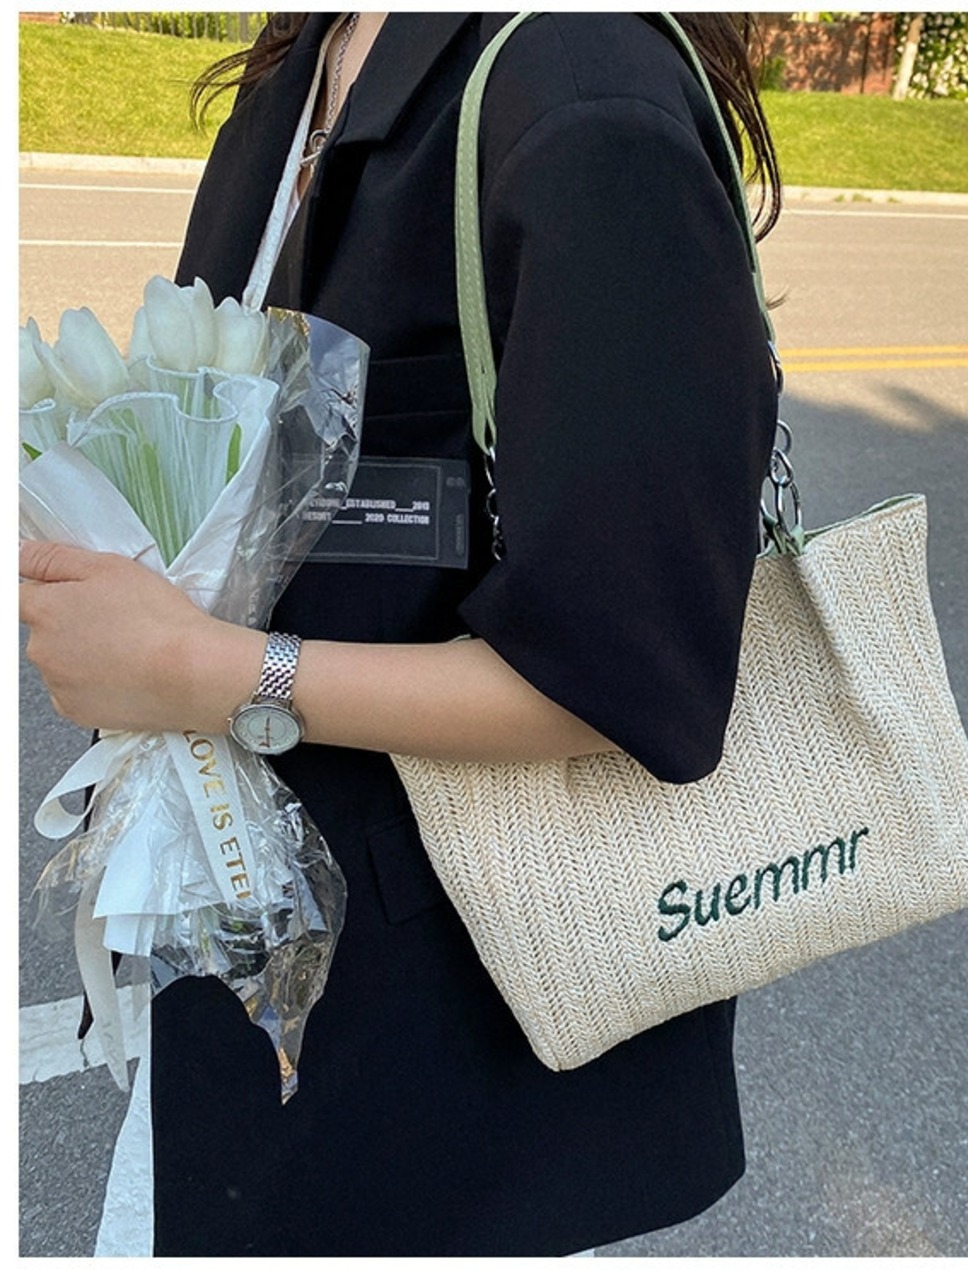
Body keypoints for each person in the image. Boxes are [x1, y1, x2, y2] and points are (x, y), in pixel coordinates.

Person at [19, 11, 782, 1256]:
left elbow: (630, 678)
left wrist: (197, 669)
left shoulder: (583, 98)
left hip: (448, 1074)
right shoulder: (303, 65)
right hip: (243, 996)